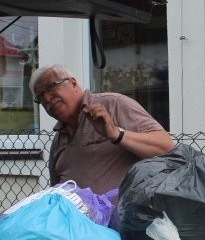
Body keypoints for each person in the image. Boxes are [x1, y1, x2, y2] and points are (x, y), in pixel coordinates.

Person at [30, 64, 175, 195]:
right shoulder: (58, 139)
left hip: (124, 222)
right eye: (40, 96)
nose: (47, 98)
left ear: (73, 83)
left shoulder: (113, 105)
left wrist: (116, 134)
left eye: (51, 87)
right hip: (78, 224)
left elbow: (166, 147)